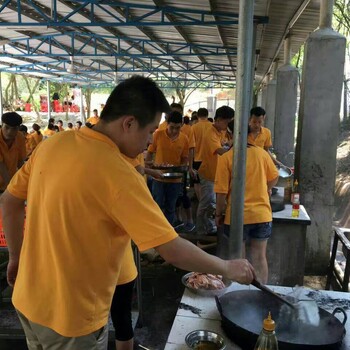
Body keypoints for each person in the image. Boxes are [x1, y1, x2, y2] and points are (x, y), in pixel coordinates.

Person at [2, 76, 254, 350]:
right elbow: (171, 249)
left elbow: (10, 202)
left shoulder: (53, 145)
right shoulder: (119, 174)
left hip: (27, 300)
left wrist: (16, 256)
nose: (149, 143)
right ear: (128, 123)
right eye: (148, 132)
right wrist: (227, 267)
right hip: (70, 318)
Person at [214, 122, 279, 283]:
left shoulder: (227, 157)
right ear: (249, 135)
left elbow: (221, 193)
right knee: (259, 256)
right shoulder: (262, 154)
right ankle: (261, 292)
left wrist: (218, 213)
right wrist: (266, 189)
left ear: (230, 136)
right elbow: (274, 177)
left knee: (237, 258)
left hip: (236, 217)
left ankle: (237, 294)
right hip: (262, 215)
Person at [196, 106, 234, 236]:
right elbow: (221, 151)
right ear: (217, 119)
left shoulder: (223, 132)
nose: (227, 125)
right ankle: (201, 232)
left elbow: (227, 144)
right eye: (226, 122)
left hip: (218, 174)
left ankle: (210, 228)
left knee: (213, 204)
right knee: (206, 203)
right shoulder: (210, 133)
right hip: (209, 174)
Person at [146, 110, 189, 226]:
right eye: (172, 127)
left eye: (178, 128)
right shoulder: (158, 135)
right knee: (157, 205)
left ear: (182, 125)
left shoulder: (184, 139)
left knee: (171, 206)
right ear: (167, 124)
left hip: (175, 179)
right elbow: (150, 152)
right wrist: (149, 165)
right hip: (158, 178)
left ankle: (169, 230)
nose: (174, 131)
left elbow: (185, 158)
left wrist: (184, 167)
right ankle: (155, 228)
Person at [0, 112, 26, 192]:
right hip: (8, 184)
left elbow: (20, 162)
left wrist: (25, 181)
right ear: (2, 125)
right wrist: (11, 188)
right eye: (6, 127)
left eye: (14, 128)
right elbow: (1, 165)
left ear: (18, 128)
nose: (9, 132)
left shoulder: (20, 137)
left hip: (10, 182)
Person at [190, 107, 211, 201]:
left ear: (198, 116)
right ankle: (207, 202)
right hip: (209, 159)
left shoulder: (193, 128)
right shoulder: (212, 126)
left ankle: (200, 201)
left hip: (196, 159)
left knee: (197, 183)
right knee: (209, 182)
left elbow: (191, 146)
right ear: (207, 115)